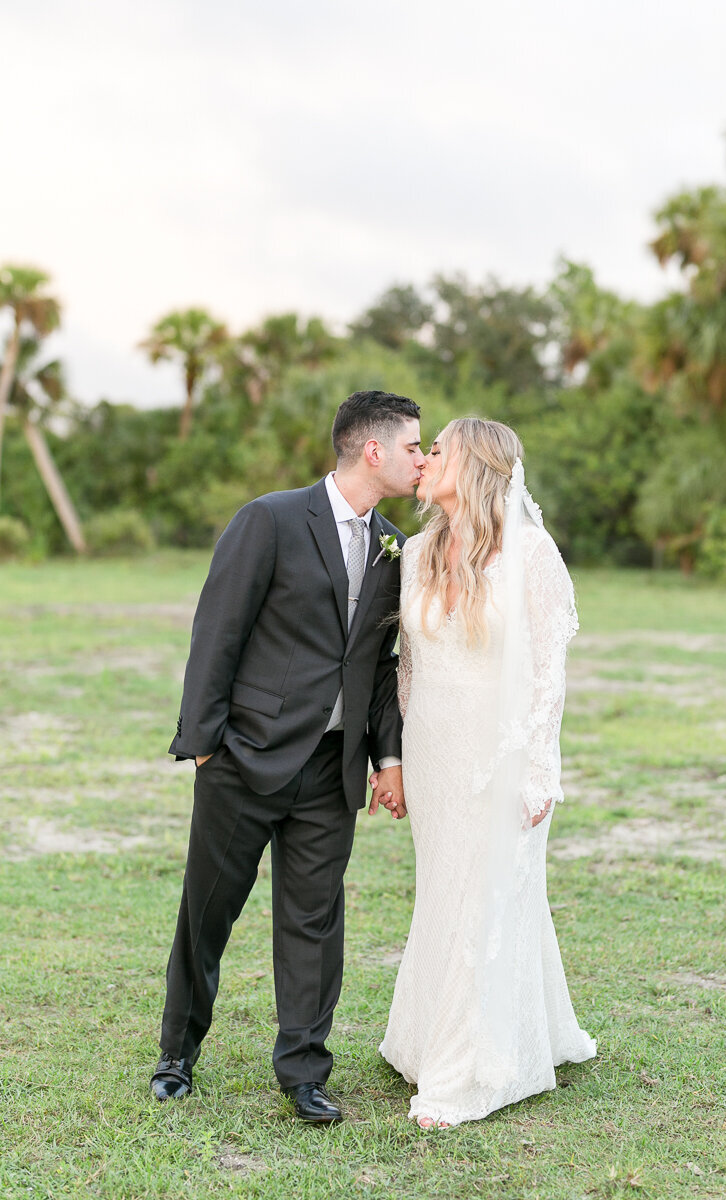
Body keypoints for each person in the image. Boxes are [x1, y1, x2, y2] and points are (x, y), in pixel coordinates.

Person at [150, 390, 426, 1124]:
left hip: (332, 769)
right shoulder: (269, 519)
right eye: (412, 447)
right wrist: (204, 747)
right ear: (373, 450)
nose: (420, 461)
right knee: (207, 914)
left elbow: (380, 668)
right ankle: (177, 1053)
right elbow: (218, 630)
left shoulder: (394, 546)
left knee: (314, 923)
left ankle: (304, 1072)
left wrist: (384, 757)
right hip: (244, 759)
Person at [377, 417, 596, 1128]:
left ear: (472, 465)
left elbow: (549, 673)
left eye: (437, 449)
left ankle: (467, 1069)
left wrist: (539, 770)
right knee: (446, 889)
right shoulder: (415, 552)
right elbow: (407, 668)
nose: (424, 460)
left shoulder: (530, 552)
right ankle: (444, 1032)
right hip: (434, 750)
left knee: (487, 894)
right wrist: (396, 758)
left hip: (499, 754)